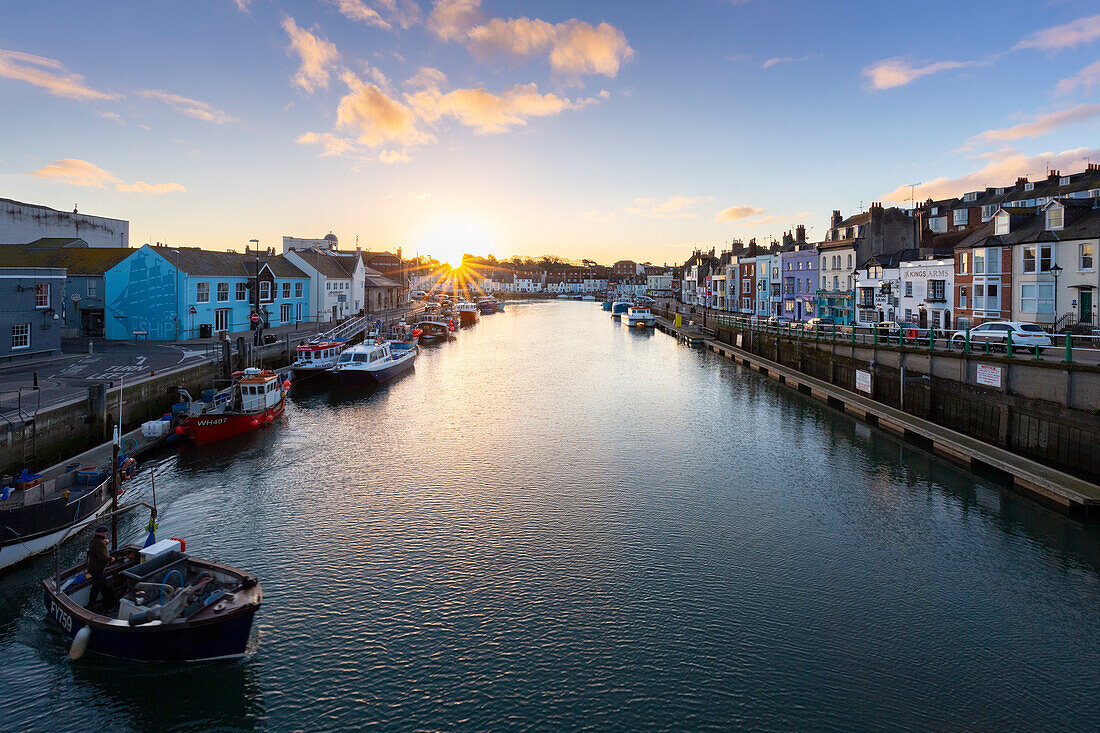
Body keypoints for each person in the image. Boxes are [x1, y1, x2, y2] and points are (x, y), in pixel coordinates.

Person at [87, 526, 114, 608]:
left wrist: (105, 542)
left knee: (103, 584)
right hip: (97, 568)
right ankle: (91, 604)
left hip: (92, 567)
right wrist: (111, 558)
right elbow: (101, 556)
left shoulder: (94, 540)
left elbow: (98, 546)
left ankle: (107, 600)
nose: (106, 534)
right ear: (102, 533)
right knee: (97, 586)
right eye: (105, 533)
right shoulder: (100, 543)